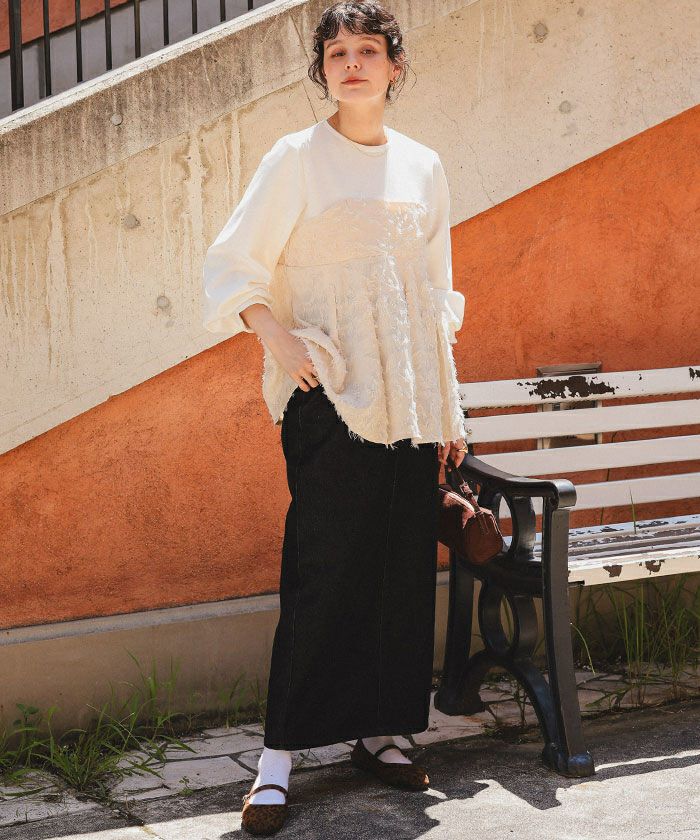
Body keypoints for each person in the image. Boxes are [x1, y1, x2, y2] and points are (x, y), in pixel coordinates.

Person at [202, 1, 468, 833]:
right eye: (337, 53)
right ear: (322, 69)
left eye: (368, 51)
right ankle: (276, 761)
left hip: (412, 405)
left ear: (395, 65)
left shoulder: (423, 165)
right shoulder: (296, 158)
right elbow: (233, 262)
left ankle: (379, 733)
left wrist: (451, 410)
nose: (352, 64)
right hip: (328, 398)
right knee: (322, 575)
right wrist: (278, 339)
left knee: (398, 573)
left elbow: (437, 293)